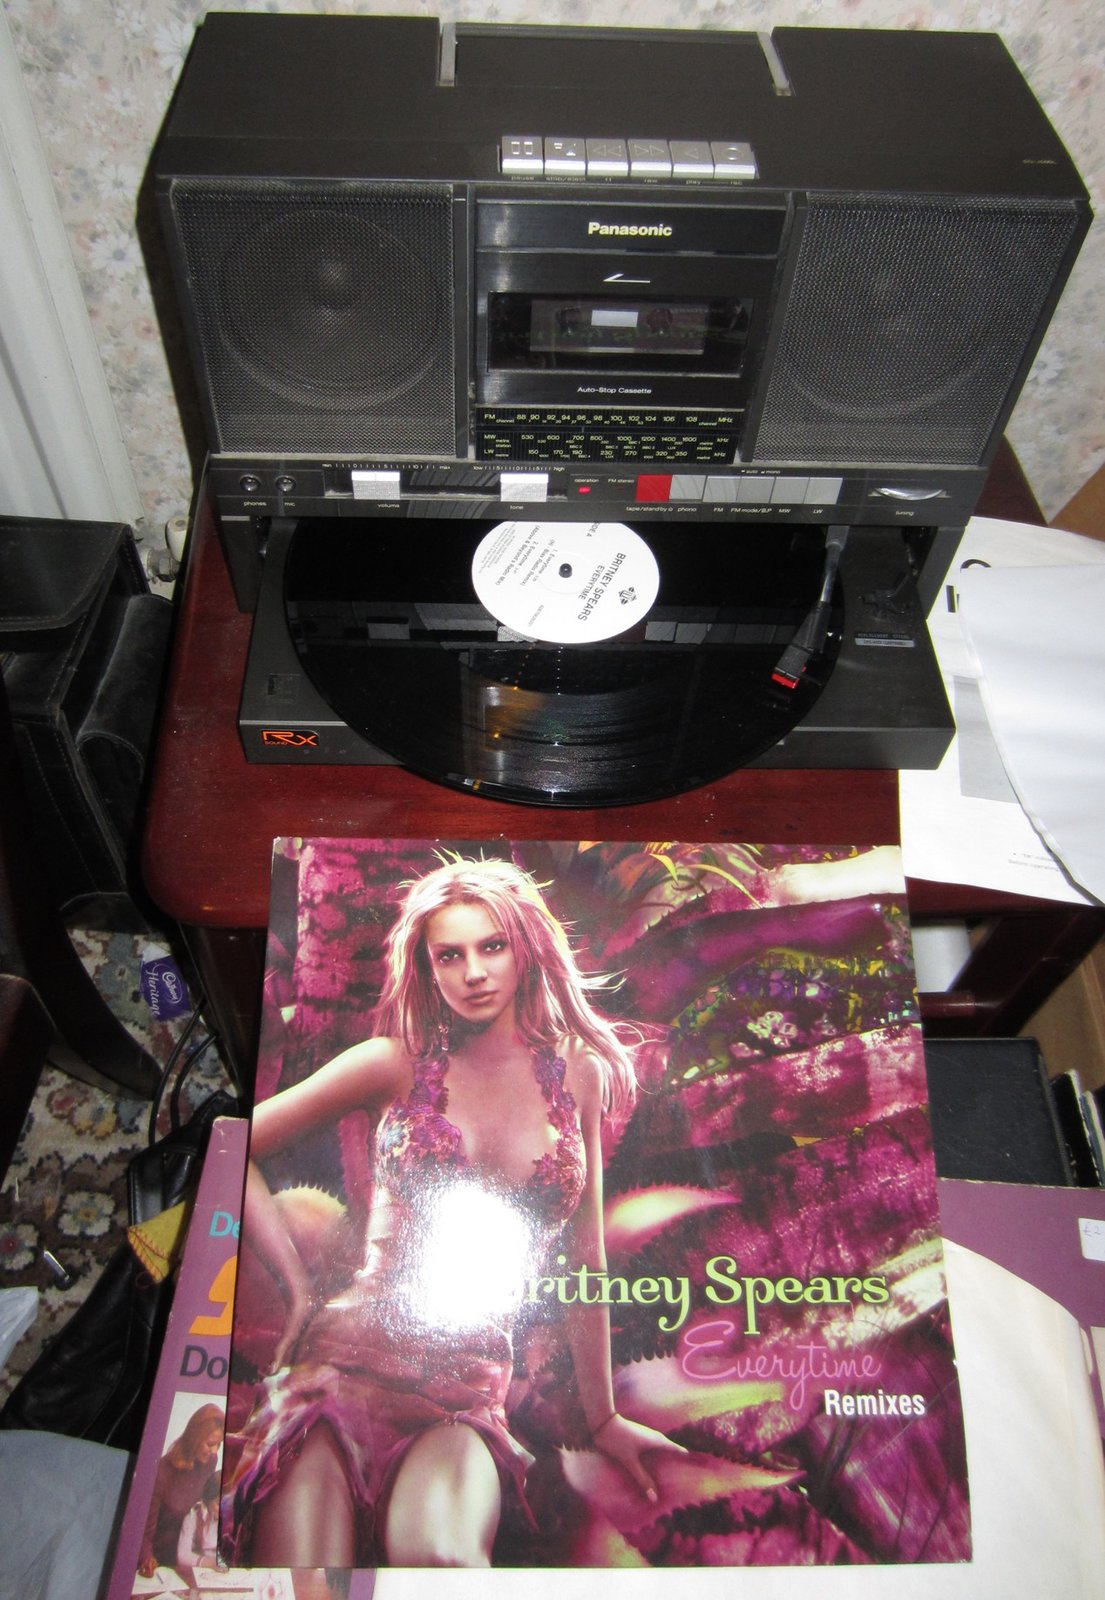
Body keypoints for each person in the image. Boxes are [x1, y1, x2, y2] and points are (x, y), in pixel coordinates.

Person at [224, 855, 682, 1568]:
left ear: (525, 949)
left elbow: (585, 1256)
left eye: (491, 947)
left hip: (464, 1397)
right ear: (428, 968)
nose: (473, 973)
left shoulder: (580, 1073)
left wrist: (603, 1420)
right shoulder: (391, 1062)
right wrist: (298, 1286)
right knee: (305, 1579)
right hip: (341, 1373)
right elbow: (232, 1149)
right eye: (450, 955)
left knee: (444, 1560)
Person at [138, 1402, 223, 1577]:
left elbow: (206, 1505)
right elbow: (144, 1532)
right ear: (194, 1437)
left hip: (191, 1558)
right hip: (160, 1561)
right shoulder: (161, 1472)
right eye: (210, 1444)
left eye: (219, 1444)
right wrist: (147, 1559)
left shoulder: (210, 1462)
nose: (215, 1451)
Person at [176, 1472, 221, 1572]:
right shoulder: (193, 1517)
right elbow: (182, 1555)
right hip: (203, 1571)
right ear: (208, 1500)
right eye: (218, 1503)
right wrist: (209, 1563)